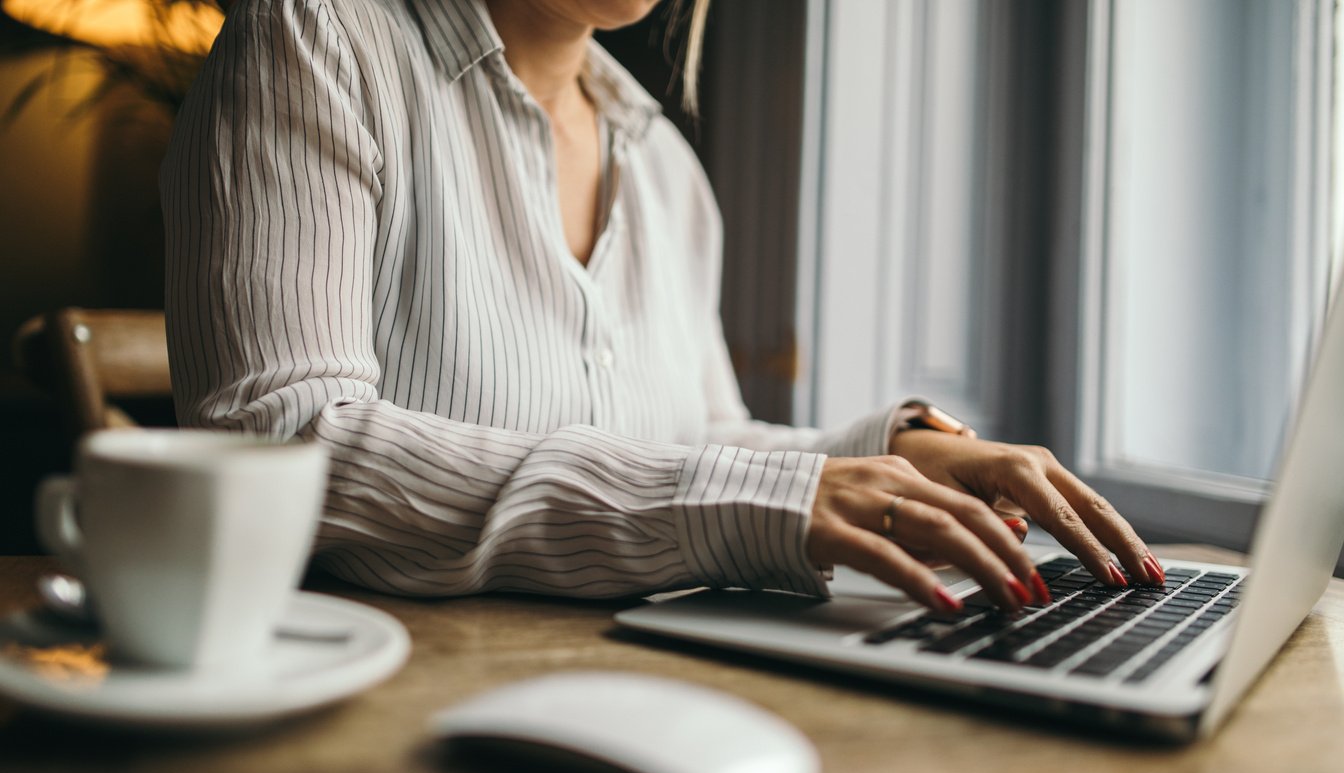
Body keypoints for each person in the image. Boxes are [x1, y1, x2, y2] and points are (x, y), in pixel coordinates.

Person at [161, 0, 1165, 614]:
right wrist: (757, 501)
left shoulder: (667, 167)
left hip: (635, 695)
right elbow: (284, 441)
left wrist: (894, 452)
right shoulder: (316, 39)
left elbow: (698, 436)